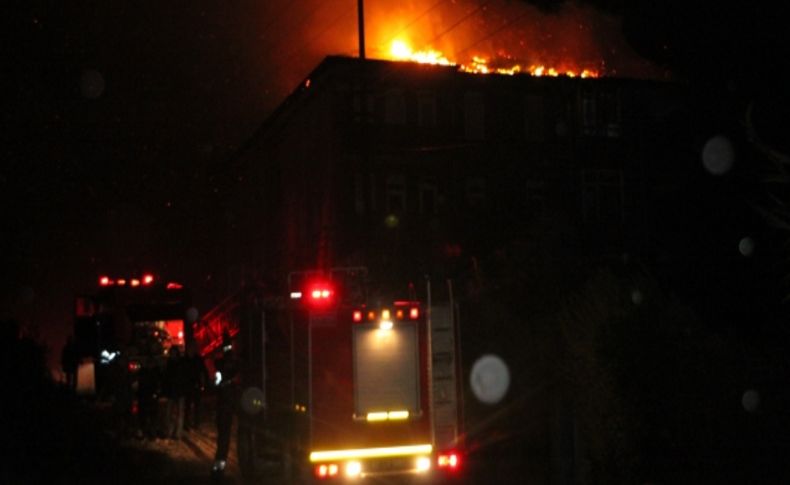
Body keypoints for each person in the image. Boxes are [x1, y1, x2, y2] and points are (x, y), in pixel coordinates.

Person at [212, 332, 240, 475]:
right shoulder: (231, 363)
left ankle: (220, 464)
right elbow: (217, 384)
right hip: (227, 403)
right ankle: (219, 464)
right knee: (225, 435)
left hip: (227, 403)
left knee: (224, 435)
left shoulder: (225, 364)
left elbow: (216, 384)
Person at [163, 346, 188, 440]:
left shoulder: (180, 363)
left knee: (179, 413)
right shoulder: (169, 363)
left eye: (174, 353)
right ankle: (170, 431)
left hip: (179, 391)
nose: (173, 355)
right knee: (169, 413)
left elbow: (183, 377)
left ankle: (178, 433)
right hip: (172, 391)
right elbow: (166, 378)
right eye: (172, 353)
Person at [184, 341, 208, 431]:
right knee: (188, 406)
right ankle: (187, 423)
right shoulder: (185, 360)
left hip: (196, 385)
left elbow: (203, 372)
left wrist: (203, 383)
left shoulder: (198, 359)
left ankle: (196, 423)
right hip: (188, 385)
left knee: (197, 405)